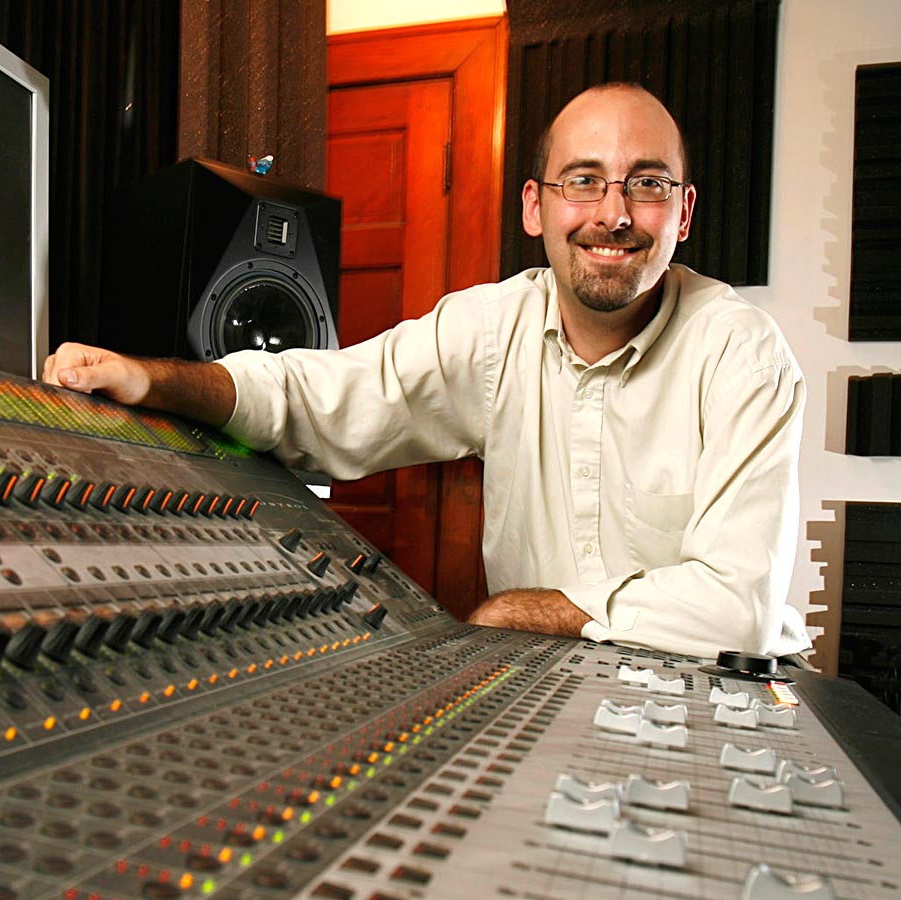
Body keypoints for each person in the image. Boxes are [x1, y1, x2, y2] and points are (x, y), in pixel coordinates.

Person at [46, 83, 810, 659]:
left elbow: (736, 607)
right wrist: (156, 381)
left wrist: (525, 612)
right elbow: (326, 397)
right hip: (545, 683)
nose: (613, 213)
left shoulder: (741, 353)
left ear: (683, 212)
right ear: (535, 207)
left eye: (647, 183)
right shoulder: (492, 328)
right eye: (582, 180)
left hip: (718, 698)